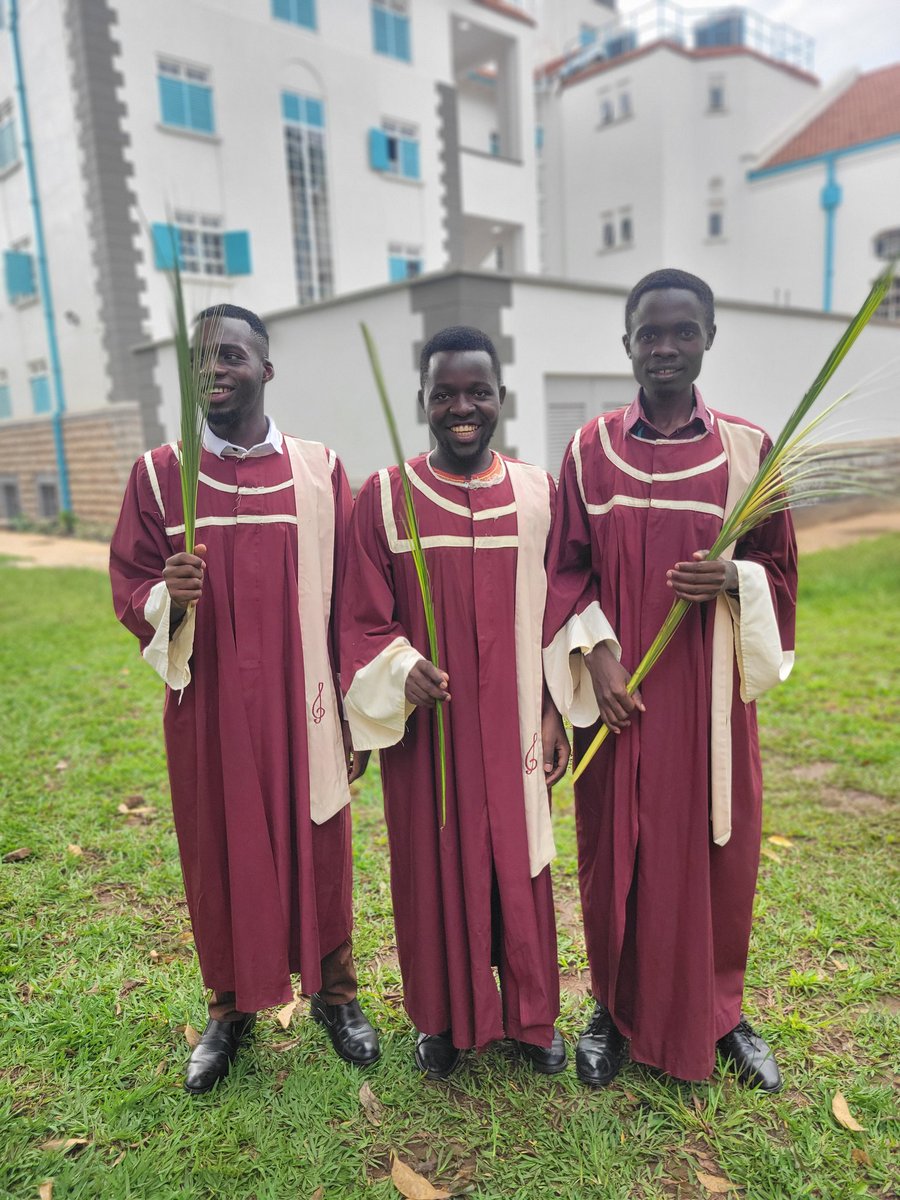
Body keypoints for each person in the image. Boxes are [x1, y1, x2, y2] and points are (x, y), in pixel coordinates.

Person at [109, 304, 379, 1093]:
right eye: (201, 358)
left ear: (266, 368)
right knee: (218, 849)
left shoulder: (320, 469)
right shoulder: (162, 474)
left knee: (321, 840)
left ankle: (337, 994)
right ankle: (230, 1007)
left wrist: (355, 712)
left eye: (231, 354)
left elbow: (349, 597)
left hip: (305, 701)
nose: (214, 369)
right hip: (212, 706)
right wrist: (171, 595)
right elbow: (130, 586)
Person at [543, 269, 797, 1091]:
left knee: (717, 854)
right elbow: (564, 573)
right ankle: (610, 1011)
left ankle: (721, 1011)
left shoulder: (749, 452)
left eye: (682, 331)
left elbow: (781, 573)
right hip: (618, 703)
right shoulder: (589, 451)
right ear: (627, 342)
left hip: (707, 702)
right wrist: (598, 657)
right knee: (617, 853)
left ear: (708, 339)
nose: (665, 347)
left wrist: (734, 581)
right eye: (649, 332)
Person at [341, 326, 570, 1080]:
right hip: (429, 736)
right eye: (445, 394)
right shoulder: (384, 500)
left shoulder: (539, 495)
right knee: (432, 867)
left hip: (513, 725)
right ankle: (439, 1019)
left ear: (500, 398)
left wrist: (552, 710)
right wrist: (399, 667)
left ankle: (532, 1017)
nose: (461, 407)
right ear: (422, 403)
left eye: (477, 392)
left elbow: (560, 608)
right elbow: (361, 617)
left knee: (520, 865)